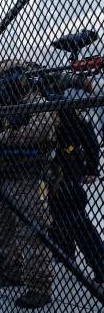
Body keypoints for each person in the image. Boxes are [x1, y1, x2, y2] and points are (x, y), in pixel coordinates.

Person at [0, 60, 56, 308]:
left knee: (31, 234)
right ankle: (12, 272)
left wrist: (3, 137)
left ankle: (39, 286)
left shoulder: (39, 103)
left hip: (27, 178)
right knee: (4, 232)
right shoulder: (4, 106)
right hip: (2, 176)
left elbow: (37, 133)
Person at [48, 79, 104, 284]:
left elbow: (89, 137)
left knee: (73, 215)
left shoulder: (66, 110)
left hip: (65, 168)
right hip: (56, 168)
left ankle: (99, 264)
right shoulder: (59, 106)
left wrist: (92, 168)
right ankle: (65, 251)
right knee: (55, 213)